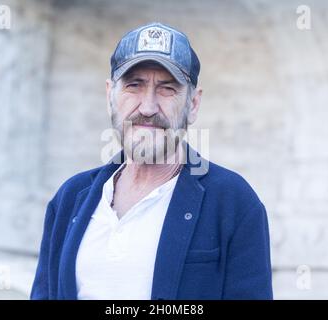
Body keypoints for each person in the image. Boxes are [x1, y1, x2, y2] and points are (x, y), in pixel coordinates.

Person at [31, 22, 273, 300]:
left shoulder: (233, 202)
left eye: (167, 89)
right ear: (110, 95)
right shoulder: (70, 198)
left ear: (193, 104)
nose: (147, 107)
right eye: (134, 85)